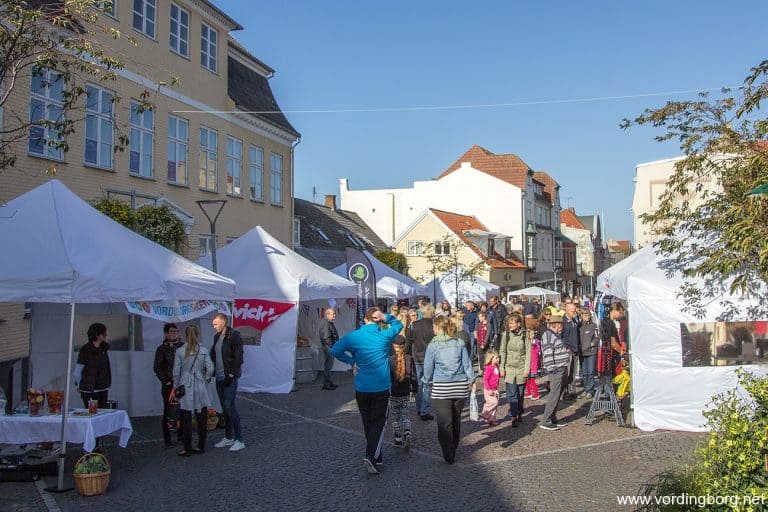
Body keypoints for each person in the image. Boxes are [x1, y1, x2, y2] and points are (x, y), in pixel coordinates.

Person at [330, 307, 403, 475]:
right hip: (381, 386)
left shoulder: (353, 336)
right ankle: (371, 456)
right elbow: (398, 325)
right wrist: (386, 316)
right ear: (378, 319)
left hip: (362, 386)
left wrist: (351, 361)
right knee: (379, 422)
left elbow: (334, 350)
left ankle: (377, 456)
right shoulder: (384, 335)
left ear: (364, 319)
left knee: (368, 422)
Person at [422, 316, 475, 464]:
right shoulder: (459, 343)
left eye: (434, 327)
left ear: (438, 328)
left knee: (444, 423)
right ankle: (454, 446)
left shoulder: (433, 345)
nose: (433, 329)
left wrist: (426, 381)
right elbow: (467, 364)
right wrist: (472, 380)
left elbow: (428, 368)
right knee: (456, 418)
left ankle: (448, 452)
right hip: (459, 386)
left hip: (442, 387)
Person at [173, 325, 214, 456]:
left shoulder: (180, 351)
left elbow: (176, 372)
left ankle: (187, 447)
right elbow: (211, 368)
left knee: (186, 417)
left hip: (186, 383)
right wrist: (206, 379)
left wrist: (176, 386)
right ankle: (201, 446)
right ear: (198, 335)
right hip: (200, 383)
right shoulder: (203, 350)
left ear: (185, 335)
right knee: (201, 415)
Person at [211, 313, 245, 452]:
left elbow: (238, 356)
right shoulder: (216, 337)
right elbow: (214, 355)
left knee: (230, 407)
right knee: (224, 409)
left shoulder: (234, 335)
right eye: (213, 324)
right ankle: (228, 436)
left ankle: (239, 439)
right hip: (218, 377)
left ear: (223, 323)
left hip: (229, 377)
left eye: (216, 324)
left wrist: (231, 374)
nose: (214, 327)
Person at [154, 323, 184, 447]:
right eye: (172, 332)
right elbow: (157, 367)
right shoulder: (162, 349)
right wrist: (166, 381)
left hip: (181, 384)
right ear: (166, 333)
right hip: (169, 385)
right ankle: (167, 439)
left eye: (176, 331)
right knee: (168, 411)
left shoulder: (183, 346)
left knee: (182, 410)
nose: (174, 334)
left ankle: (181, 437)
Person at [499, 314, 531, 427]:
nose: (510, 325)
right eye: (509, 323)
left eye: (512, 323)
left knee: (520, 394)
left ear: (518, 324)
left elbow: (528, 353)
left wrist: (527, 370)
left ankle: (519, 412)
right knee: (511, 394)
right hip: (509, 368)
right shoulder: (506, 335)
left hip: (521, 368)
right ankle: (514, 415)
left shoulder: (525, 335)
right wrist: (501, 367)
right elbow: (502, 351)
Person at [539, 315, 570, 431]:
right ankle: (546, 420)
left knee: (558, 394)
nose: (562, 326)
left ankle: (552, 417)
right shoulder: (547, 335)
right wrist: (552, 369)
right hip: (556, 370)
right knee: (554, 395)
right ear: (556, 325)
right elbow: (547, 353)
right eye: (561, 324)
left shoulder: (555, 335)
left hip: (561, 368)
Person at [389, 337, 418, 449]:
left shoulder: (390, 360)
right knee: (405, 414)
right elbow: (414, 377)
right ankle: (407, 432)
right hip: (405, 392)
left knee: (395, 417)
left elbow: (387, 377)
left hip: (393, 392)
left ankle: (398, 438)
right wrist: (415, 389)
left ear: (393, 346)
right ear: (404, 346)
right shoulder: (409, 359)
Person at [408, 304, 435, 421]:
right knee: (427, 385)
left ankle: (420, 409)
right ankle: (424, 410)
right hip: (429, 358)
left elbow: (408, 342)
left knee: (419, 384)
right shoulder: (434, 326)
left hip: (417, 357)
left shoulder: (414, 325)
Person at [74, 323, 111, 409]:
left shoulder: (104, 349)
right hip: (89, 390)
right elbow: (78, 370)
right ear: (97, 335)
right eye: (104, 333)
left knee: (102, 414)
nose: (106, 335)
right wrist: (79, 385)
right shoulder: (85, 350)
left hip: (103, 388)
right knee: (92, 412)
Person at [578, 309, 599, 399]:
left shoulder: (593, 326)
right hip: (582, 352)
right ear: (581, 316)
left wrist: (591, 344)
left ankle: (590, 390)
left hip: (591, 352)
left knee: (590, 372)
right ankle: (586, 389)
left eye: (588, 315)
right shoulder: (579, 326)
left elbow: (597, 337)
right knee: (584, 372)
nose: (587, 316)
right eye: (585, 315)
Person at [318, 308, 340, 390]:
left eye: (334, 313)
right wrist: (332, 346)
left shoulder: (327, 322)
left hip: (329, 347)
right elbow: (326, 337)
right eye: (333, 314)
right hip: (329, 347)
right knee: (328, 366)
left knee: (329, 366)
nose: (334, 315)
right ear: (328, 315)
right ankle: (326, 384)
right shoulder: (325, 323)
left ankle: (328, 382)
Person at [481, 351, 501, 426]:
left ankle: (491, 419)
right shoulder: (488, 368)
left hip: (495, 389)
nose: (498, 359)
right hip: (488, 389)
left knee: (495, 406)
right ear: (491, 358)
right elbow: (485, 379)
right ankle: (485, 413)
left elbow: (497, 377)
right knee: (494, 402)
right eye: (496, 357)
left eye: (498, 357)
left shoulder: (496, 367)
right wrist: (489, 389)